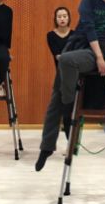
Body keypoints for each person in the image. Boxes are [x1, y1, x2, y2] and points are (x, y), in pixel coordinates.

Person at [36, 0, 105, 171]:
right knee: (55, 98)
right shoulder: (88, 0)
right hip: (80, 46)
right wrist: (99, 57)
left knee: (65, 63)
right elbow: (88, 28)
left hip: (94, 53)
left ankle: (68, 105)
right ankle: (46, 147)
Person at [46, 7, 73, 138]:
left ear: (69, 18)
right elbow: (57, 56)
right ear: (55, 19)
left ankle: (71, 139)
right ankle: (66, 135)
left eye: (65, 16)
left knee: (70, 107)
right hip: (61, 75)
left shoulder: (75, 35)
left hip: (74, 74)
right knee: (61, 105)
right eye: (59, 16)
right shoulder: (51, 35)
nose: (62, 19)